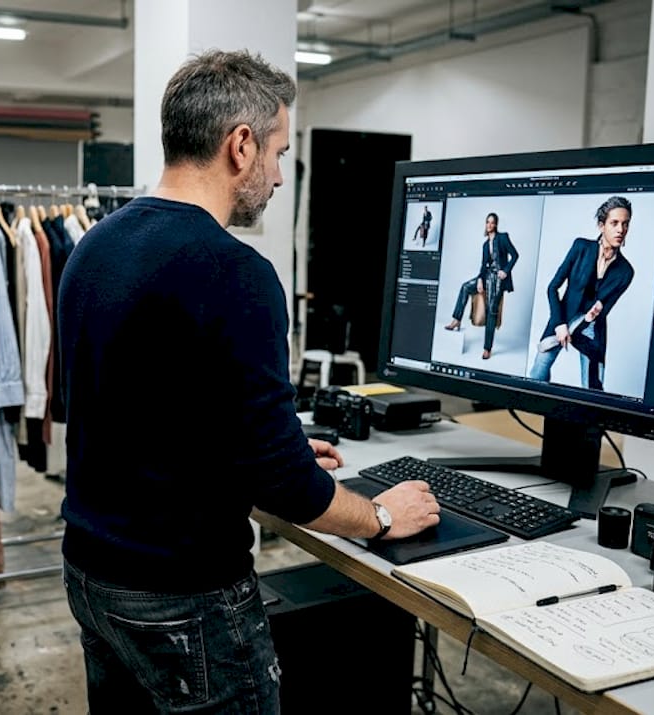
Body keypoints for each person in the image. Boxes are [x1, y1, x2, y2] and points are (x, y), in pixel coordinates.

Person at [56, 49, 441, 713]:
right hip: (182, 595)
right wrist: (380, 515)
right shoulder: (235, 272)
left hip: (91, 575)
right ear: (240, 145)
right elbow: (292, 492)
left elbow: (136, 416)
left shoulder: (95, 247)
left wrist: (270, 447)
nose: (279, 177)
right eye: (278, 152)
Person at [529, 196, 636, 391]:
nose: (621, 229)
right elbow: (553, 288)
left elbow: (605, 309)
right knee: (538, 372)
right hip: (563, 316)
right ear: (601, 225)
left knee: (593, 387)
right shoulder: (581, 247)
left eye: (625, 224)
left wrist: (593, 314)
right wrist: (560, 324)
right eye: (614, 223)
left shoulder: (626, 271)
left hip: (591, 327)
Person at [443, 212, 518, 360]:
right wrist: (479, 280)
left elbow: (515, 255)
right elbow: (483, 265)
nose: (489, 225)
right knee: (465, 287)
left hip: (498, 278)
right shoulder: (485, 245)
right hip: (487, 275)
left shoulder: (503, 238)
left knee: (491, 310)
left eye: (492, 222)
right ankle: (457, 320)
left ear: (496, 224)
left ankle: (487, 348)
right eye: (487, 222)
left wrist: (506, 271)